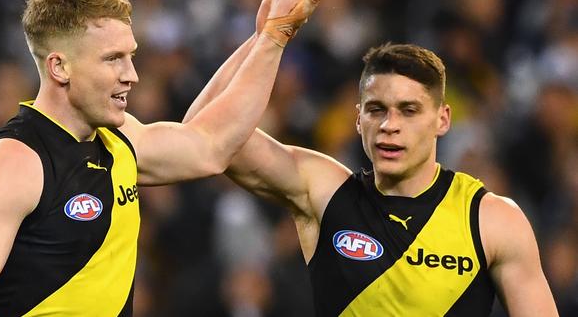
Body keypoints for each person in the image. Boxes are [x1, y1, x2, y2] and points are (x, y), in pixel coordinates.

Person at [0, 0, 329, 315]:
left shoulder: (120, 141)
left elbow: (211, 144)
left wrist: (268, 38)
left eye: (131, 57)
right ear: (59, 68)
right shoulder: (13, 161)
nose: (132, 75)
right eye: (113, 59)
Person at [183, 43, 559, 316]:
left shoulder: (491, 220)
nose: (389, 126)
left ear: (443, 120)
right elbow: (202, 135)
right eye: (377, 110)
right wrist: (270, 36)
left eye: (409, 111)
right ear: (358, 118)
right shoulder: (325, 192)